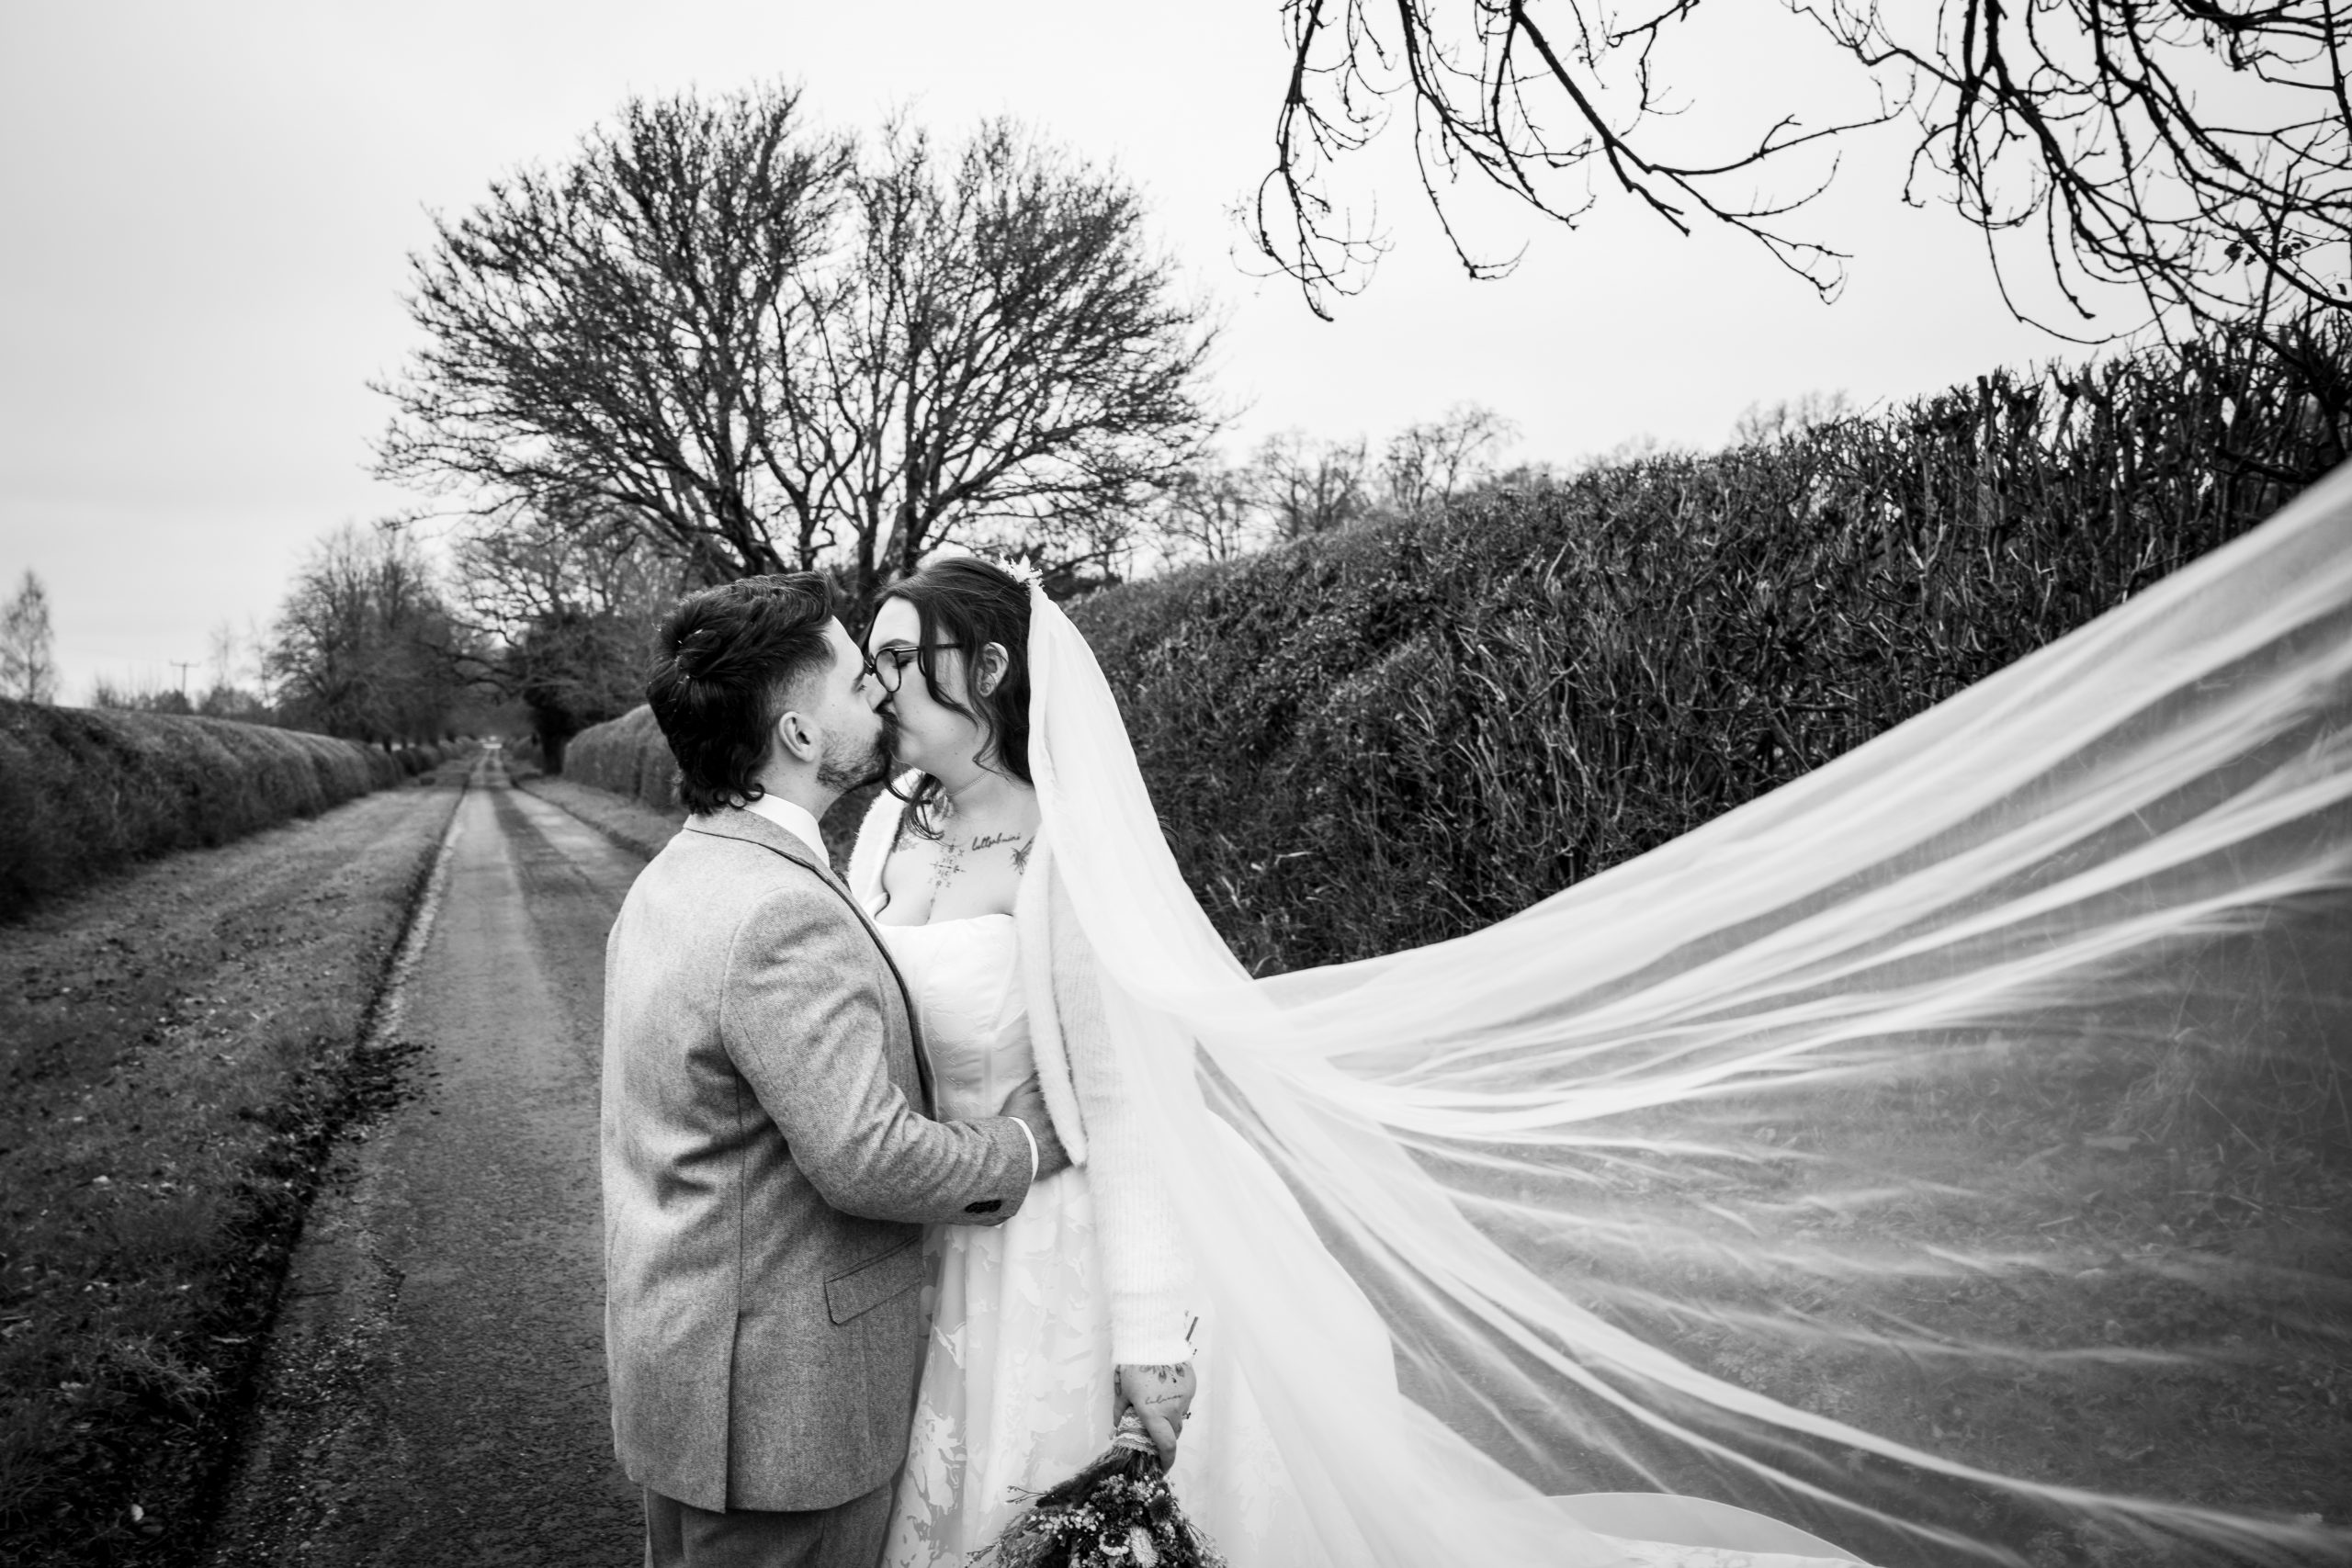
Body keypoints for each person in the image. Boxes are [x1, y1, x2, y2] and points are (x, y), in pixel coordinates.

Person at [854, 558, 1873, 1567]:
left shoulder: (1066, 852)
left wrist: (1150, 1337)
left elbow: (1127, 1103)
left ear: (990, 667)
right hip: (932, 1228)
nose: (875, 683)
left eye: (899, 656)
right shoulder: (885, 833)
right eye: (870, 661)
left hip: (1057, 1259)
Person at [601, 573, 1073, 1568]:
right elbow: (869, 1158)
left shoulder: (675, 876)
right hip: (782, 1414)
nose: (884, 692)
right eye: (862, 678)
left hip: (689, 1375)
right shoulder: (781, 910)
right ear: (801, 735)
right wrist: (1028, 1146)